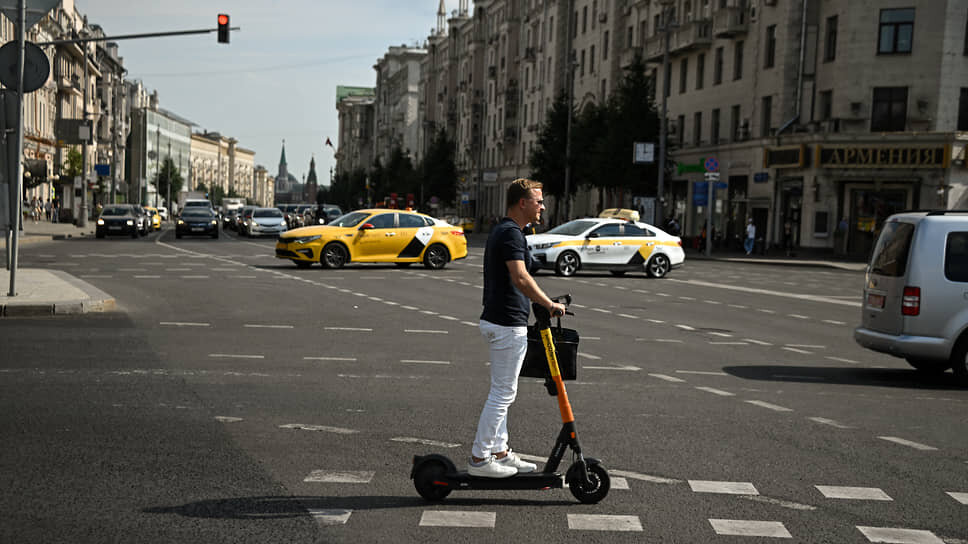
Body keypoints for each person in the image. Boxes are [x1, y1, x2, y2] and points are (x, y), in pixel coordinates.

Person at [470, 178, 566, 478]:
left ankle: (500, 452)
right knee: (502, 394)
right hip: (506, 323)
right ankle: (479, 459)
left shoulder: (507, 230)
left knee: (504, 392)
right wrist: (549, 304)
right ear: (522, 203)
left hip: (501, 320)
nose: (542, 206)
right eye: (538, 201)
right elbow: (520, 278)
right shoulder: (511, 233)